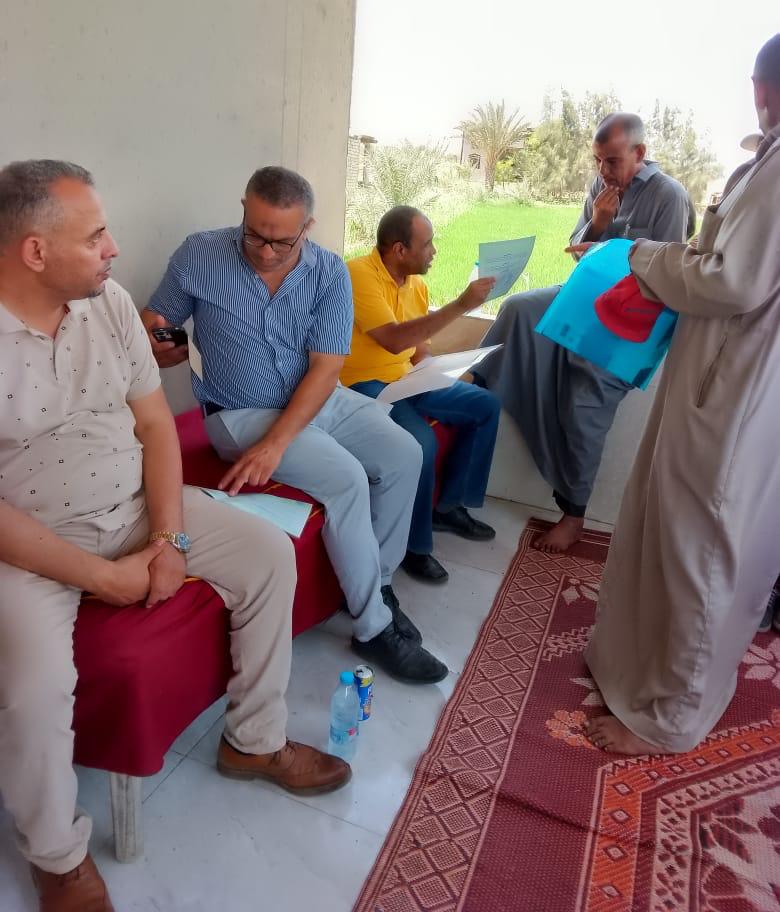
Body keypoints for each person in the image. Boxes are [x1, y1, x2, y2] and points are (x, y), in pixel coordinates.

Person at [0, 161, 350, 912]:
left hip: (132, 504)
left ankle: (254, 740)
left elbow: (157, 426)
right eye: (96, 237)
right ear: (35, 251)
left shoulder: (107, 305)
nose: (114, 249)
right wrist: (104, 578)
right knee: (32, 687)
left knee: (268, 552)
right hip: (30, 545)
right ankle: (57, 857)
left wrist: (169, 539)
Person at [143, 166, 447, 685]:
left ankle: (379, 584)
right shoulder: (200, 254)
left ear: (307, 227)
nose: (266, 252)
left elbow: (326, 368)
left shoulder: (328, 272)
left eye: (282, 241)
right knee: (347, 479)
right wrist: (157, 338)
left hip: (319, 397)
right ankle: (373, 627)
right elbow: (155, 318)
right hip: (239, 412)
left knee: (404, 453)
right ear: (244, 209)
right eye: (256, 235)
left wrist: (277, 444)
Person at [584, 35, 780, 755]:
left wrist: (644, 258)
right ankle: (637, 667)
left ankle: (669, 717)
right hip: (733, 375)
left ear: (762, 87)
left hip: (735, 384)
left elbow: (730, 279)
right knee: (685, 527)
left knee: (702, 539)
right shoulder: (766, 160)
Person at [471, 113, 689, 552]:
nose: (603, 171)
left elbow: (670, 272)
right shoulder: (600, 188)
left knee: (584, 394)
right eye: (597, 161)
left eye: (612, 161)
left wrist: (611, 251)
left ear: (639, 153)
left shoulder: (669, 196)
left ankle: (573, 514)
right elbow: (578, 251)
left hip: (635, 314)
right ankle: (472, 389)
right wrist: (599, 223)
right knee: (518, 310)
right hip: (589, 294)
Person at [342, 206, 501, 584]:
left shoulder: (416, 284)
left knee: (484, 404)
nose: (434, 252)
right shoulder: (357, 274)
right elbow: (394, 339)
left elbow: (418, 348)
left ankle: (447, 508)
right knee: (421, 443)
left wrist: (436, 371)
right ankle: (414, 547)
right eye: (427, 244)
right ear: (400, 250)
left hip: (407, 378)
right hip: (364, 385)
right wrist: (461, 305)